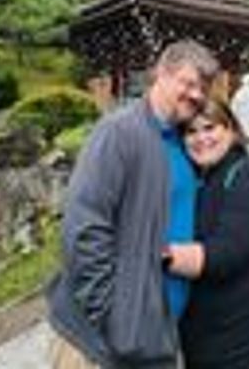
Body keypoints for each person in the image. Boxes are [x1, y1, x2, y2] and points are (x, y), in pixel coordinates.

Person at [47, 40, 219, 369]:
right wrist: (114, 318)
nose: (197, 95)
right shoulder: (119, 131)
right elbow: (84, 227)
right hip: (104, 341)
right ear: (161, 74)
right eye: (189, 83)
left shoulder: (181, 140)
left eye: (204, 88)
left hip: (156, 332)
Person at [164, 100, 249, 369]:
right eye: (191, 131)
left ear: (231, 130)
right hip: (205, 346)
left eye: (210, 128)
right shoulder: (196, 181)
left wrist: (153, 253)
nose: (201, 138)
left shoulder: (248, 177)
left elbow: (223, 256)